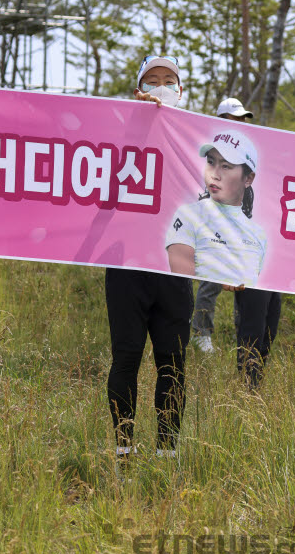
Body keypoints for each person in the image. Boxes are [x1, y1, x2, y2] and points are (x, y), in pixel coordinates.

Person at [106, 55, 195, 476]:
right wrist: (135, 119)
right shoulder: (120, 127)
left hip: (176, 267)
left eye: (168, 80)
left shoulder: (201, 138)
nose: (160, 86)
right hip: (126, 265)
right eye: (151, 80)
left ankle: (167, 452)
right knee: (125, 358)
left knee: (172, 362)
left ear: (181, 90)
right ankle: (123, 451)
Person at [165, 130, 279, 388]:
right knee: (250, 331)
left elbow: (261, 271)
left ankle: (254, 389)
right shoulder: (189, 215)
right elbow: (180, 268)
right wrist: (219, 271)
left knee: (266, 332)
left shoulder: (259, 233)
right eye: (211, 162)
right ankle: (246, 387)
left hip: (255, 282)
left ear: (248, 178)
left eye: (226, 166)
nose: (214, 173)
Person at [190, 97, 255, 353]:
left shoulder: (248, 149)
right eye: (233, 119)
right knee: (212, 280)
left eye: (242, 119)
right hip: (215, 224)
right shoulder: (210, 152)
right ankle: (201, 332)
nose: (239, 124)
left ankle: (244, 335)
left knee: (245, 280)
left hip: (242, 224)